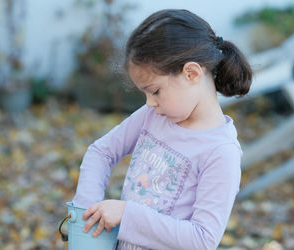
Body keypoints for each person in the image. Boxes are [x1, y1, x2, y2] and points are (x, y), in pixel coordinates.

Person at [72, 9, 252, 250]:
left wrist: (127, 215)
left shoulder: (221, 152)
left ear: (192, 73)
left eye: (155, 91)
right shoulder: (153, 116)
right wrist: (87, 213)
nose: (149, 103)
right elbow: (101, 152)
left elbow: (202, 239)